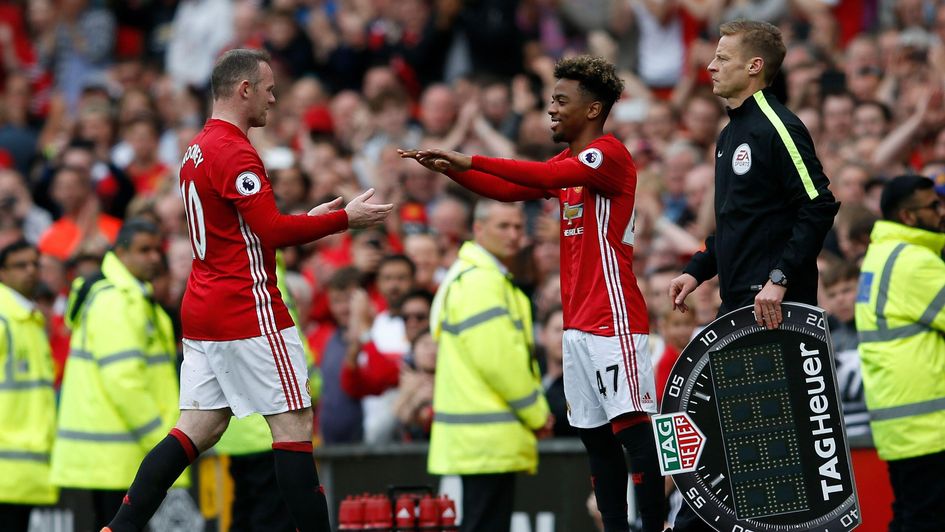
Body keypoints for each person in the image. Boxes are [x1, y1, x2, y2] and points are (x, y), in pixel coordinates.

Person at [101, 49, 391, 532]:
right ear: (244, 89)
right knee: (295, 427)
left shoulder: (196, 148)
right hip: (248, 308)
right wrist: (345, 220)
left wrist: (312, 218)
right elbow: (272, 233)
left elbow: (240, 228)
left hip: (203, 307)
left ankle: (118, 528)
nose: (274, 100)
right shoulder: (234, 150)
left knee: (197, 428)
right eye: (270, 89)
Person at [402, 55, 665, 532]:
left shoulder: (609, 155)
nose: (551, 110)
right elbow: (508, 191)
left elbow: (538, 178)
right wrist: (451, 171)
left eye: (562, 100)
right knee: (595, 439)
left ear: (592, 109)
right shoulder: (569, 164)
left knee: (632, 431)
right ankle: (614, 526)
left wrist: (472, 158)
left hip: (614, 318)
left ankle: (653, 525)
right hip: (578, 325)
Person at [668, 21, 839, 531]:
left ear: (754, 66)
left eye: (722, 57)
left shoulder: (777, 125)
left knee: (766, 455)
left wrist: (780, 277)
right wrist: (698, 269)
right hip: (736, 311)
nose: (711, 66)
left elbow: (819, 205)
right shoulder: (728, 135)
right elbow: (741, 226)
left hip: (773, 315)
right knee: (732, 447)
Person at [427, 199, 552, 532]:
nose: (513, 235)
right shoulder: (481, 282)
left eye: (517, 227)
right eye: (503, 226)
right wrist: (537, 414)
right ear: (478, 229)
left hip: (483, 438)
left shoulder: (479, 276)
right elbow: (500, 362)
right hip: (486, 437)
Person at [50, 219, 183, 530]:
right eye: (143, 250)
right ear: (120, 252)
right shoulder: (116, 301)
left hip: (115, 455)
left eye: (156, 250)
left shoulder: (129, 296)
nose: (153, 257)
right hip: (122, 454)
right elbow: (124, 381)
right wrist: (163, 444)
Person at [855, 175, 945, 532]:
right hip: (929, 425)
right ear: (908, 216)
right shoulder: (915, 262)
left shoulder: (883, 253)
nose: (941, 212)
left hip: (902, 424)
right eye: (933, 206)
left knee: (912, 517)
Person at [0, 240, 57, 531]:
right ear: (2, 272)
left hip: (23, 465)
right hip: (9, 464)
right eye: (21, 265)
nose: (31, 271)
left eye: (36, 264)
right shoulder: (6, 319)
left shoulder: (29, 319)